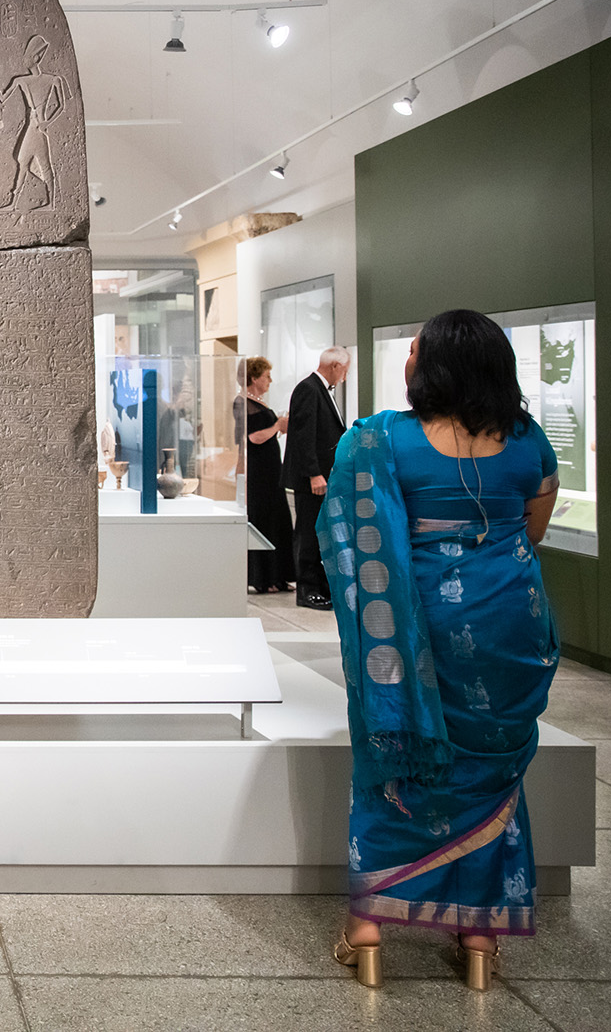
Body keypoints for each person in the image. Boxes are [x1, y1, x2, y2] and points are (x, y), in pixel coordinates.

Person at [319, 309, 562, 992]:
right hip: (508, 624)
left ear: (429, 366)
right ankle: (478, 931)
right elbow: (533, 528)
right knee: (489, 772)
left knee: (396, 748)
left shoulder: (383, 439)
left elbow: (345, 531)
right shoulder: (528, 441)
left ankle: (369, 925)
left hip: (412, 625)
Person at [285, 347, 349, 608]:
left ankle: (320, 585)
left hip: (323, 478)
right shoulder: (309, 389)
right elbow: (303, 435)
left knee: (320, 531)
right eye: (345, 369)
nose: (345, 375)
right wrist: (314, 473)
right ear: (335, 366)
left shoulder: (320, 390)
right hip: (313, 480)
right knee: (310, 533)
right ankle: (307, 589)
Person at [232, 356, 292, 593]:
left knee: (277, 520)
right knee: (263, 521)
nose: (270, 381)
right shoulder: (242, 403)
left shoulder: (257, 402)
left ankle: (277, 576)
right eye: (266, 376)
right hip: (258, 473)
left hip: (270, 469)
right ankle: (262, 578)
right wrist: (277, 426)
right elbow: (252, 438)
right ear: (254, 378)